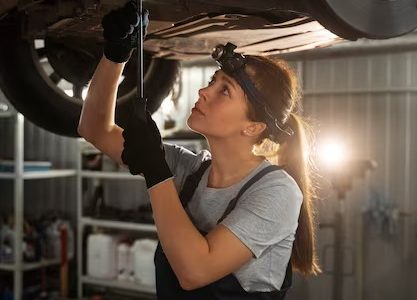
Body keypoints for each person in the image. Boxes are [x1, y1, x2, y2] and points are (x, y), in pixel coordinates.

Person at [78, 1, 321, 299]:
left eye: (224, 90)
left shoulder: (277, 191)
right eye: (212, 82)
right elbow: (94, 129)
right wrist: (116, 55)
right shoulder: (190, 170)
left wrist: (156, 170)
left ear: (253, 127)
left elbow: (194, 271)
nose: (203, 92)